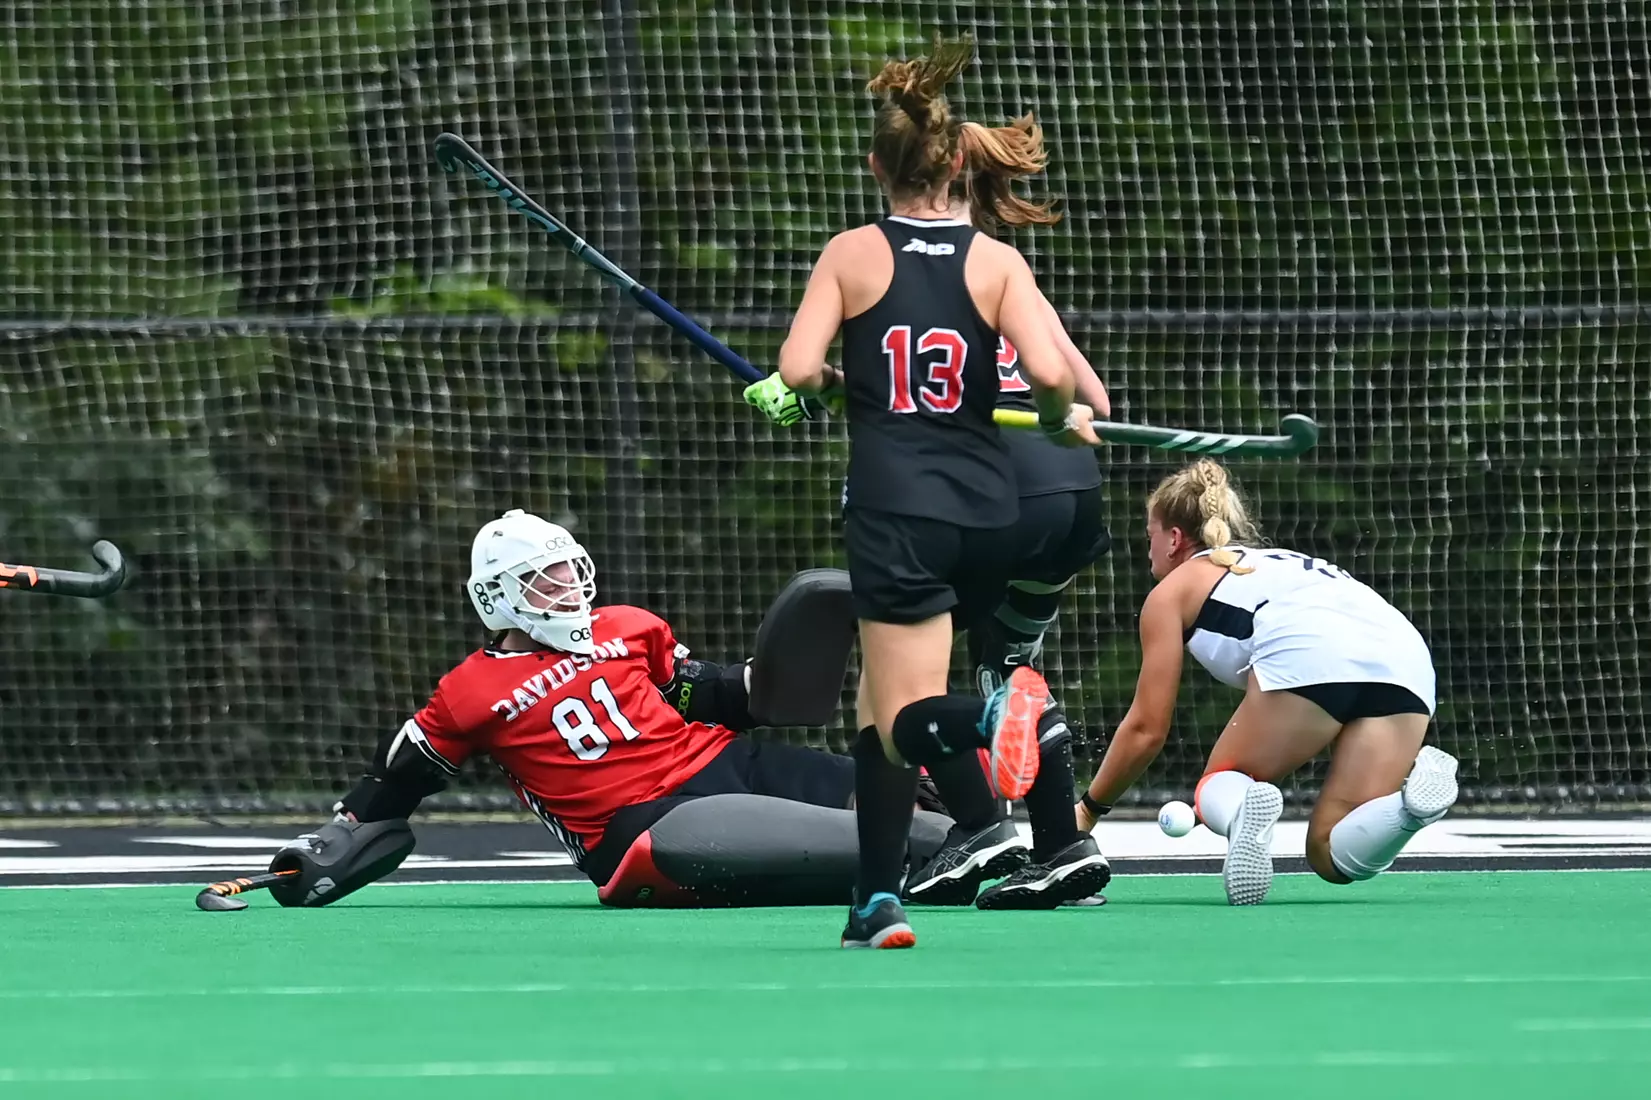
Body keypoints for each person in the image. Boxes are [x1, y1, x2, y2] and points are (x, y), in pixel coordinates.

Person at [771, 34, 1094, 949]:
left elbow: (795, 369)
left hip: (897, 513)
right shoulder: (996, 262)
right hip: (989, 513)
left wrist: (835, 381)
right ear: (957, 161)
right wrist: (1066, 411)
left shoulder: (849, 253)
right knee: (879, 714)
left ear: (877, 165)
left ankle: (996, 716)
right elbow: (1046, 372)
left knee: (905, 718)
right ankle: (874, 903)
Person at [259, 509, 954, 910]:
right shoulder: (468, 691)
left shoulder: (626, 626)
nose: (569, 587)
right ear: (499, 597)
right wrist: (321, 850)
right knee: (905, 846)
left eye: (570, 570)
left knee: (923, 799)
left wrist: (767, 679)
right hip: (649, 824)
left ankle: (1031, 834)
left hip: (727, 763)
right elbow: (391, 788)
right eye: (546, 578)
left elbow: (698, 694)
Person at [1074, 459, 1459, 905]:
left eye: (1150, 537)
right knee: (1330, 854)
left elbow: (1147, 729)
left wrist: (1088, 810)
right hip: (1406, 658)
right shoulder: (1282, 562)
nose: (1149, 550)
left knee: (1219, 782)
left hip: (1311, 651)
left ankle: (1241, 813)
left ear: (1175, 538)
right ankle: (1411, 808)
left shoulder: (1174, 590)